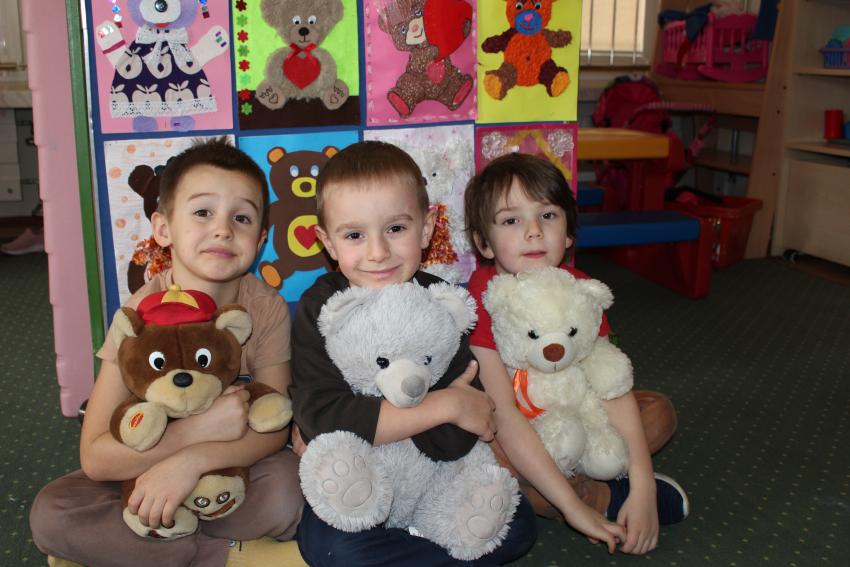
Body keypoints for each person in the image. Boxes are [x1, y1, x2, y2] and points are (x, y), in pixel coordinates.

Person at [290, 141, 588, 566]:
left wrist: (451, 413)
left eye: (396, 229)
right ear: (328, 243)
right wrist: (445, 405)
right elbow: (322, 418)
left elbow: (463, 433)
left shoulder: (444, 302)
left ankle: (415, 549)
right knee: (331, 549)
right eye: (355, 235)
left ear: (427, 228)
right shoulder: (320, 308)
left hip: (437, 480)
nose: (378, 252)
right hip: (358, 488)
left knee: (518, 526)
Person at [29, 138, 304, 567]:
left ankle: (150, 552)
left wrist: (192, 463)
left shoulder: (265, 307)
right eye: (203, 212)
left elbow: (273, 431)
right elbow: (95, 457)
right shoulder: (137, 314)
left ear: (261, 239)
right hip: (143, 470)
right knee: (52, 514)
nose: (223, 229)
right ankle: (225, 555)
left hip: (227, 473)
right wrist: (190, 435)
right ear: (163, 229)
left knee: (289, 487)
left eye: (242, 217)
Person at [463, 152, 689, 556]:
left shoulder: (581, 289)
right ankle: (599, 498)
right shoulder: (482, 298)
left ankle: (621, 485)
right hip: (520, 435)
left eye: (548, 215)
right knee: (494, 467)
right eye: (511, 220)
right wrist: (572, 508)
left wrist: (643, 485)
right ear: (483, 242)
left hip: (580, 416)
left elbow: (611, 386)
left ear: (568, 233)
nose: (534, 231)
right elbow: (505, 416)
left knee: (658, 412)